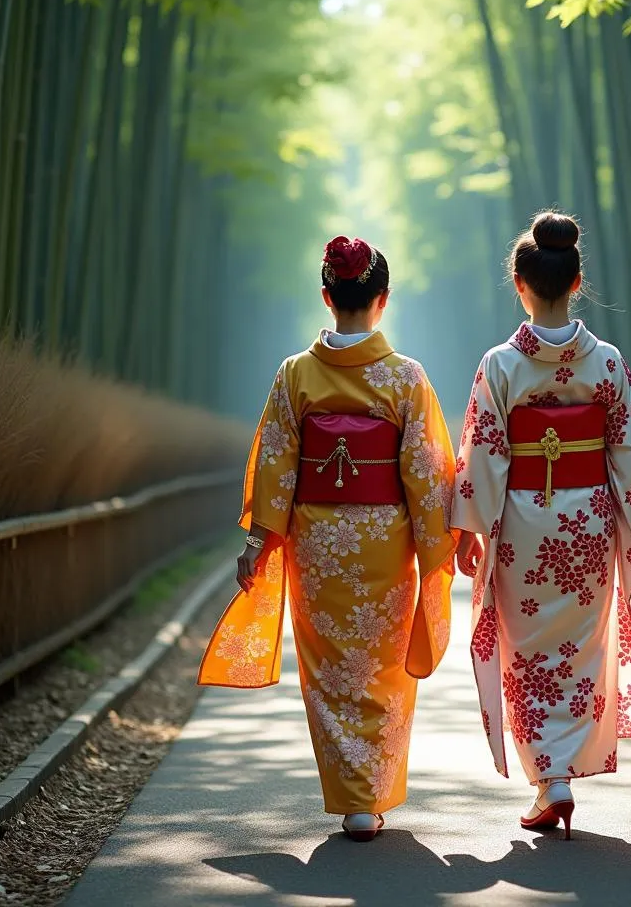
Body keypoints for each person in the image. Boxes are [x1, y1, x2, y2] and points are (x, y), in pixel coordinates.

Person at [198, 236, 457, 842]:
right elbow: (425, 473)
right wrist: (439, 548)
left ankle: (351, 800)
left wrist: (262, 541)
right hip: (385, 543)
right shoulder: (406, 378)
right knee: (382, 669)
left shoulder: (296, 375)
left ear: (326, 296)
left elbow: (275, 470)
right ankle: (372, 796)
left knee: (329, 672)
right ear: (383, 301)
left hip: (316, 544)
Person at [450, 211, 631, 839]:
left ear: (520, 284)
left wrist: (472, 530)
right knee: (579, 650)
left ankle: (549, 782)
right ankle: (563, 776)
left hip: (523, 522)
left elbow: (483, 456)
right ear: (577, 281)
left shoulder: (501, 364)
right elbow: (630, 452)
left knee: (526, 653)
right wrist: (624, 516)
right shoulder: (606, 363)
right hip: (589, 523)